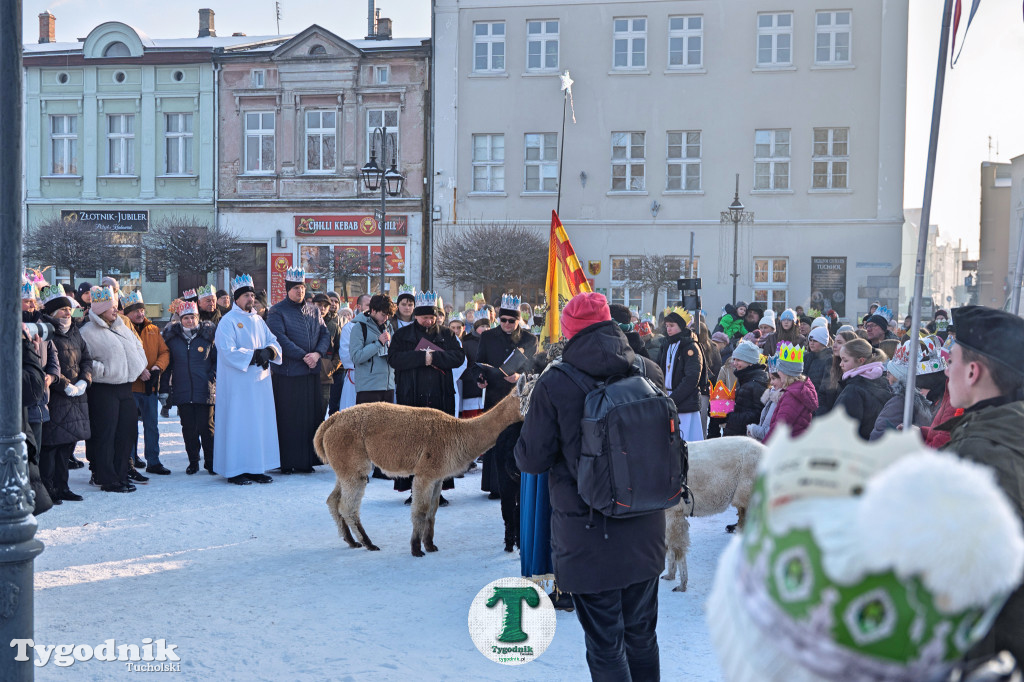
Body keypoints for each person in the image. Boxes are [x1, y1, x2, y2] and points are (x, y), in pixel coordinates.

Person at [515, 292, 666, 681]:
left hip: (587, 530)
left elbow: (532, 459)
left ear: (569, 332)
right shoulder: (647, 371)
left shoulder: (555, 382)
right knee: (642, 636)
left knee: (604, 643)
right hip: (645, 524)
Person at [938, 306, 1024, 665]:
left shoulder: (977, 457)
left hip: (989, 655)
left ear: (973, 372)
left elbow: (971, 588)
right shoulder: (1005, 434)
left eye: (952, 360)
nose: (946, 370)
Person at [388, 292, 466, 504]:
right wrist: (423, 357)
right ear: (416, 316)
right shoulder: (402, 336)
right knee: (414, 444)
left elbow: (459, 357)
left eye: (432, 318)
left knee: (439, 444)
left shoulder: (447, 334)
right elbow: (394, 359)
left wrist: (435, 357)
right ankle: (416, 491)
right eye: (424, 318)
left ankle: (437, 490)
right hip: (412, 397)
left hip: (440, 397)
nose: (429, 321)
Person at [213, 275, 282, 485]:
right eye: (246, 295)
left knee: (257, 424)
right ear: (236, 299)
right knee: (238, 423)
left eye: (252, 295)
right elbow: (226, 351)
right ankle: (234, 470)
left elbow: (273, 341)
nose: (250, 299)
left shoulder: (259, 320)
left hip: (259, 384)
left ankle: (255, 467)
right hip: (238, 384)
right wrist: (253, 355)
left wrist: (269, 352)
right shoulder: (228, 321)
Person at [80, 286, 148, 493]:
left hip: (125, 388)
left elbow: (138, 349)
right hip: (104, 390)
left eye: (116, 306)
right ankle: (106, 477)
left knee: (125, 433)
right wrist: (107, 371)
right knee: (106, 435)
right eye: (111, 307)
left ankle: (121, 474)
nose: (116, 310)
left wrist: (135, 367)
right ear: (100, 309)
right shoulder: (87, 332)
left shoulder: (122, 328)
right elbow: (85, 361)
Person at [265, 268, 329, 474]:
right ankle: (288, 461)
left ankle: (307, 460)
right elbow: (279, 338)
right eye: (295, 288)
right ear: (287, 290)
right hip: (289, 373)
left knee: (311, 418)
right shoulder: (277, 311)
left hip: (311, 372)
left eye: (302, 288)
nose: (299, 292)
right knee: (289, 418)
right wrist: (304, 356)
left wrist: (317, 354)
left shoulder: (314, 310)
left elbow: (325, 334)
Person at [475, 295, 538, 497]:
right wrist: (480, 378)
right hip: (494, 395)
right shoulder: (487, 337)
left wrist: (521, 376)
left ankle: (515, 482)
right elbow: (478, 363)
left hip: (518, 397)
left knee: (515, 438)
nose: (507, 324)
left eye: (512, 321)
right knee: (494, 438)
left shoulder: (530, 339)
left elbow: (535, 367)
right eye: (503, 320)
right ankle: (494, 485)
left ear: (519, 320)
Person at [38, 285, 91, 503]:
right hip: (56, 396)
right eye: (62, 310)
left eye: (68, 309)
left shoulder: (75, 331)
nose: (67, 313)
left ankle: (63, 486)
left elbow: (86, 358)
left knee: (67, 444)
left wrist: (84, 381)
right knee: (51, 446)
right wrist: (65, 384)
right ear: (51, 312)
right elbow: (46, 365)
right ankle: (48, 489)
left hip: (77, 395)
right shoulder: (45, 331)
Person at [161, 301, 217, 475]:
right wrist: (164, 389)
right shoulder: (172, 340)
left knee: (207, 429)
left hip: (205, 390)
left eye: (193, 317)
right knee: (188, 429)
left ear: (198, 318)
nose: (190, 321)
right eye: (186, 318)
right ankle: (193, 461)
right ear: (180, 319)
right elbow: (168, 366)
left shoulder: (208, 337)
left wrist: (212, 377)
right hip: (182, 390)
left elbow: (217, 361)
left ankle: (211, 461)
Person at [123, 290, 171, 476]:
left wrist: (158, 367)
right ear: (126, 313)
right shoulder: (123, 331)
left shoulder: (153, 330)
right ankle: (130, 460)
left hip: (150, 386)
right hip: (131, 386)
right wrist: (138, 371)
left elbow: (165, 352)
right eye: (135, 311)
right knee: (130, 426)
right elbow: (122, 357)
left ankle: (154, 460)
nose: (139, 314)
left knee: (152, 425)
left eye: (141, 310)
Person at [869, 336, 946, 441]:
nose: (887, 378)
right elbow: (880, 435)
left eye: (889, 374)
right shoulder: (902, 400)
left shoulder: (941, 399)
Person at [834, 338, 890, 440]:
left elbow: (842, 428)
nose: (840, 364)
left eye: (845, 360)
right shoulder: (884, 381)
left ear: (861, 361)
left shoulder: (853, 389)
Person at [348, 294, 396, 404]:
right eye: (383, 314)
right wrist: (378, 343)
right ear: (373, 310)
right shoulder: (359, 327)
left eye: (388, 315)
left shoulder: (389, 327)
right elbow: (356, 357)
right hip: (368, 388)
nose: (386, 318)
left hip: (388, 386)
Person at [764, 344, 818, 440]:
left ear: (786, 372)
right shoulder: (801, 388)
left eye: (779, 370)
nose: (779, 373)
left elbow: (779, 428)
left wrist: (762, 447)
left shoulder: (792, 396)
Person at [724, 340, 769, 437]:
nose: (735, 363)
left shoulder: (756, 383)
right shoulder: (744, 378)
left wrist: (730, 416)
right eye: (734, 359)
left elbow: (757, 415)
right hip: (736, 433)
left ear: (750, 363)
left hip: (744, 436)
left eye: (739, 360)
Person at [333, 295, 368, 414]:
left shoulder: (378, 327)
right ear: (359, 306)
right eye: (368, 305)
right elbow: (346, 356)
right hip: (354, 376)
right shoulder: (350, 327)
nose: (372, 309)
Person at [315, 293, 342, 414]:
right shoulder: (305, 322)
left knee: (322, 410)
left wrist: (330, 367)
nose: (322, 308)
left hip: (325, 376)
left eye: (325, 306)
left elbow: (340, 350)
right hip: (306, 373)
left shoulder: (333, 326)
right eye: (319, 305)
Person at [804, 326, 832, 409]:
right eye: (810, 340)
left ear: (823, 343)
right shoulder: (807, 357)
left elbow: (825, 387)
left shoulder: (829, 359)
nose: (811, 343)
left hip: (818, 403)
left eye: (815, 341)